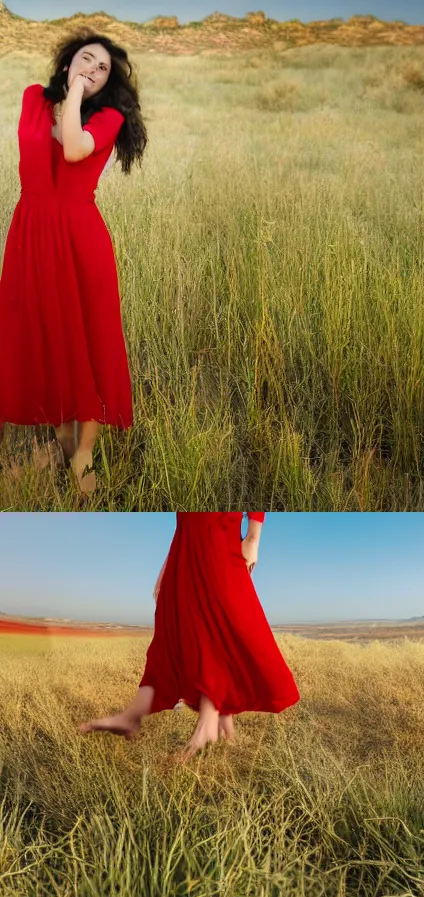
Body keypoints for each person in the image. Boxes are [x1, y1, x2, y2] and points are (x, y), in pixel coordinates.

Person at [0, 32, 147, 494]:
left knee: (90, 335)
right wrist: (69, 92)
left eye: (102, 68)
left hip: (80, 235)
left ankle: (84, 448)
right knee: (43, 328)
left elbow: (73, 149)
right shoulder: (31, 98)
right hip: (32, 229)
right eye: (86, 60)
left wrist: (79, 94)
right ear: (67, 63)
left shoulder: (108, 116)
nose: (94, 69)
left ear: (107, 82)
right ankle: (61, 432)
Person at [79, 513, 298, 761]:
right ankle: (134, 715)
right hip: (184, 543)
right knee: (171, 632)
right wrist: (169, 563)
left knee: (217, 624)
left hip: (219, 535)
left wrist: (253, 537)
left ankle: (211, 718)